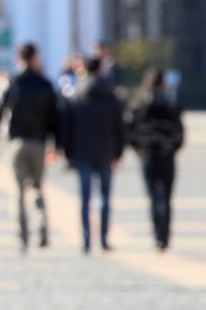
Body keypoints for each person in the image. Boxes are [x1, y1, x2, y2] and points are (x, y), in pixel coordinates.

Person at [0, 43, 61, 253]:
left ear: (19, 59)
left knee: (17, 191)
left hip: (16, 142)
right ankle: (42, 225)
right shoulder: (45, 84)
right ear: (35, 58)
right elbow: (55, 118)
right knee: (36, 187)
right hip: (39, 142)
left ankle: (22, 238)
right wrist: (56, 145)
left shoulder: (11, 82)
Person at [62, 57, 125, 254]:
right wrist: (118, 152)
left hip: (82, 152)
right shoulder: (110, 95)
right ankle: (104, 238)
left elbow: (67, 128)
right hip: (106, 151)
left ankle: (87, 239)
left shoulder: (76, 95)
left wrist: (68, 153)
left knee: (85, 198)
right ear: (99, 70)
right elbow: (120, 127)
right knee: (105, 198)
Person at [125, 68, 185, 251]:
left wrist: (138, 148)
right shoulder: (170, 103)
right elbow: (180, 132)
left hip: (148, 156)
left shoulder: (139, 103)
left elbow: (130, 130)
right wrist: (172, 148)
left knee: (153, 197)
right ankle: (164, 236)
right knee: (166, 198)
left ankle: (157, 236)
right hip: (166, 156)